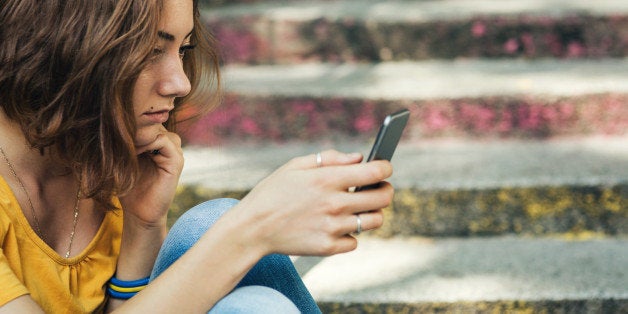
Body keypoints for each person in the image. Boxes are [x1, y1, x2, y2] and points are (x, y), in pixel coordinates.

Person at [0, 0, 394, 313]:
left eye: (182, 49)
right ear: (62, 46)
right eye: (151, 51)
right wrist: (252, 230)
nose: (180, 82)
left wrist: (143, 224)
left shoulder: (100, 156)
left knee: (211, 222)